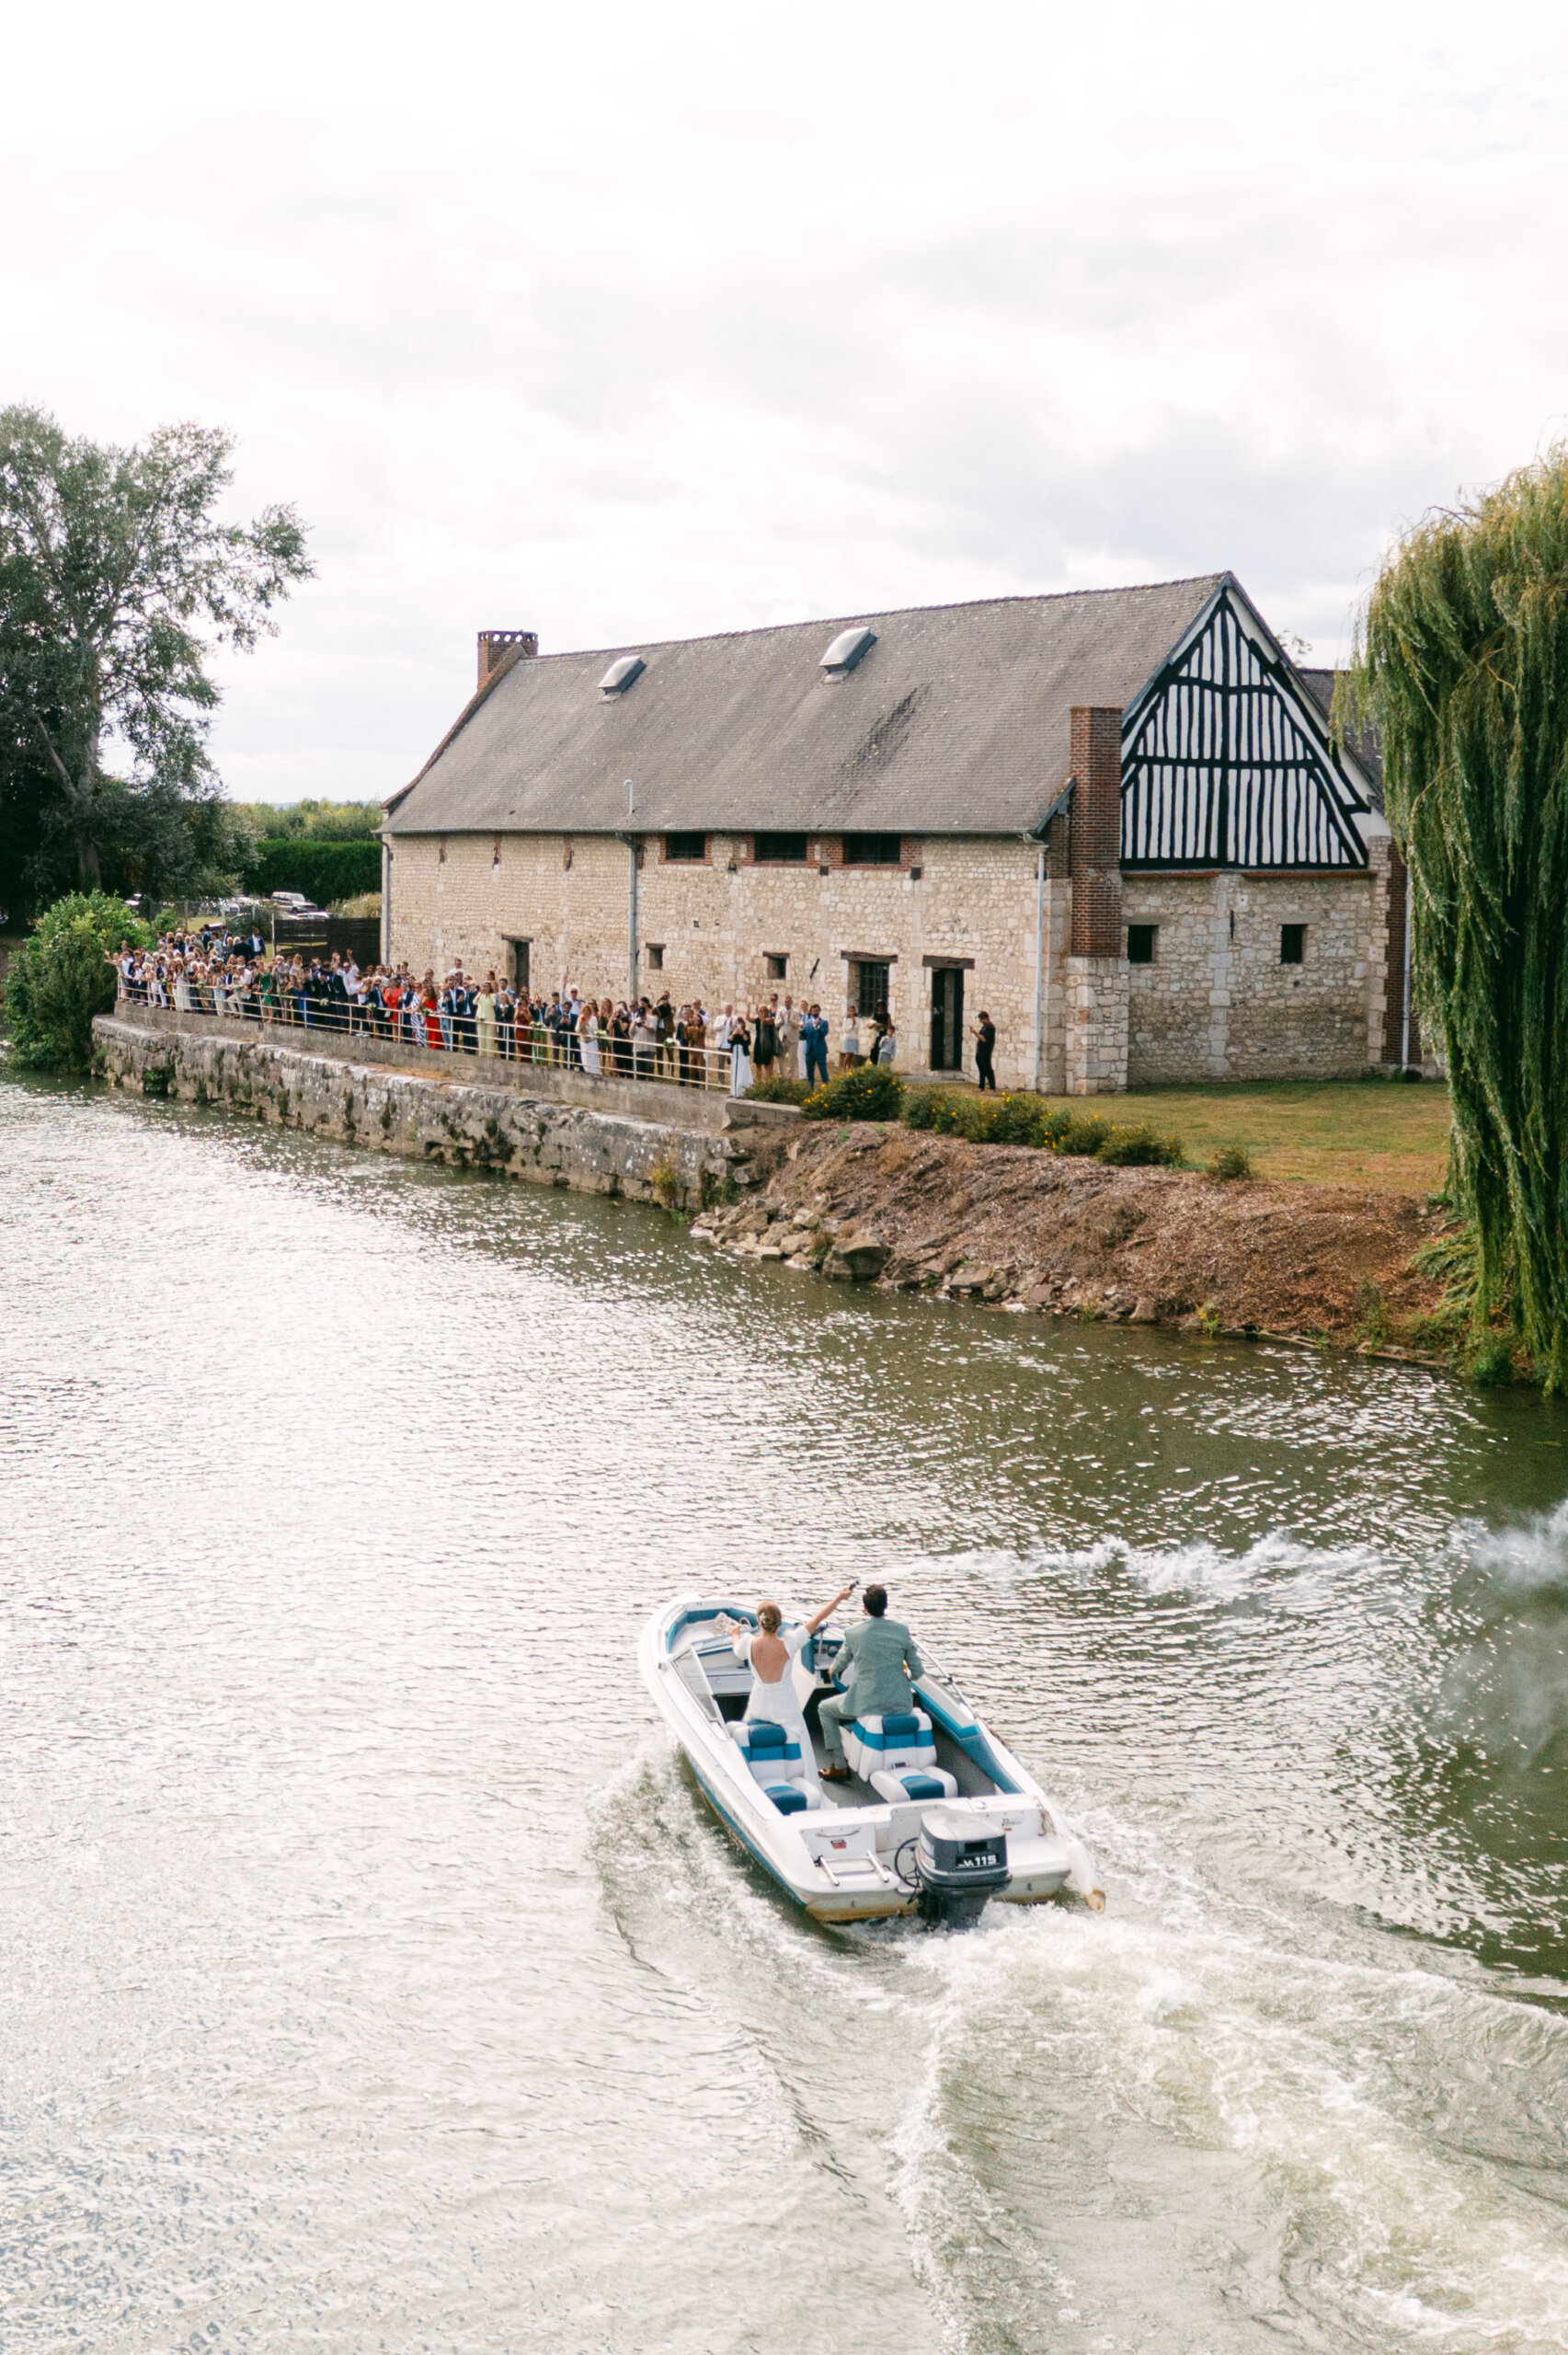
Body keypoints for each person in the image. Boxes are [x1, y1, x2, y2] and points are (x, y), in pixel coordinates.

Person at [718, 1586, 855, 1760]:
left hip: (758, 1706)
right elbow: (816, 1621)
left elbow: (737, 1650)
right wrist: (838, 1598)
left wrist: (735, 1633)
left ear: (760, 1623)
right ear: (780, 1622)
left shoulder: (748, 1643)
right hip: (786, 1707)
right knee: (801, 1740)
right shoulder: (790, 1643)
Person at [817, 1583, 924, 1784]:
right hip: (899, 1703)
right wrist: (906, 1674)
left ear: (865, 1608)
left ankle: (840, 1767)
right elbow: (917, 1672)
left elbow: (838, 1664)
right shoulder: (902, 1631)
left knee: (824, 1709)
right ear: (886, 1606)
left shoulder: (853, 1633)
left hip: (866, 1705)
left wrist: (832, 1670)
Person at [801, 1003, 829, 1089]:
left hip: (820, 1051)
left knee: (823, 1071)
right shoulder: (808, 1022)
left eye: (817, 1010)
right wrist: (800, 1030)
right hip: (809, 1050)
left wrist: (818, 1027)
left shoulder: (824, 1022)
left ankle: (827, 1089)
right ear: (811, 1011)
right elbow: (804, 1036)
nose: (815, 1012)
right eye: (813, 1010)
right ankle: (810, 1090)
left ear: (819, 1011)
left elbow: (824, 1033)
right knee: (810, 1072)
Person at [728, 1008, 753, 1096]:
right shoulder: (732, 1032)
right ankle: (735, 1092)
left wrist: (742, 1034)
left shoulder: (746, 1032)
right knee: (735, 1072)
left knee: (743, 1073)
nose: (739, 1025)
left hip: (743, 1055)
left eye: (741, 1023)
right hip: (735, 1055)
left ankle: (743, 1092)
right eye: (737, 1023)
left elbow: (748, 1042)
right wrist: (734, 1033)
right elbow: (729, 1041)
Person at [974, 1009, 997, 1092]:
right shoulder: (984, 1026)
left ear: (985, 1018)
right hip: (980, 1050)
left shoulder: (990, 1027)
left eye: (981, 1019)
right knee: (981, 1069)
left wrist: (974, 1033)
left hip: (986, 1051)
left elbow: (984, 1039)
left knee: (987, 1068)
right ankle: (981, 1086)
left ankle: (992, 1087)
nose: (980, 1021)